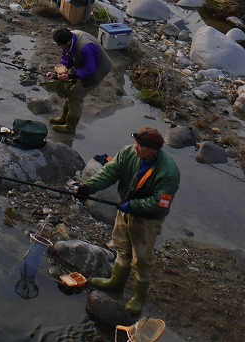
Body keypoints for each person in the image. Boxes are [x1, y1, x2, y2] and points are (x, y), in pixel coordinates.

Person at [74, 128, 180, 315]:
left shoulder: (169, 172)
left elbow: (160, 204)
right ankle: (116, 282)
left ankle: (138, 297)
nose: (136, 148)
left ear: (154, 150)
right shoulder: (128, 153)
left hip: (148, 218)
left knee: (142, 258)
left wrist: (134, 206)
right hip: (126, 209)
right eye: (136, 143)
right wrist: (89, 187)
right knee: (121, 246)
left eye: (141, 146)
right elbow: (110, 172)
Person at [46, 26, 114, 132]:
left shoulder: (87, 47)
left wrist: (69, 76)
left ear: (68, 42)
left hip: (97, 69)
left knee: (74, 96)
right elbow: (65, 58)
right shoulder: (69, 37)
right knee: (68, 91)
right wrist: (56, 74)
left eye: (60, 45)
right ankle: (63, 119)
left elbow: (90, 70)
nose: (59, 47)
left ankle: (70, 127)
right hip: (85, 65)